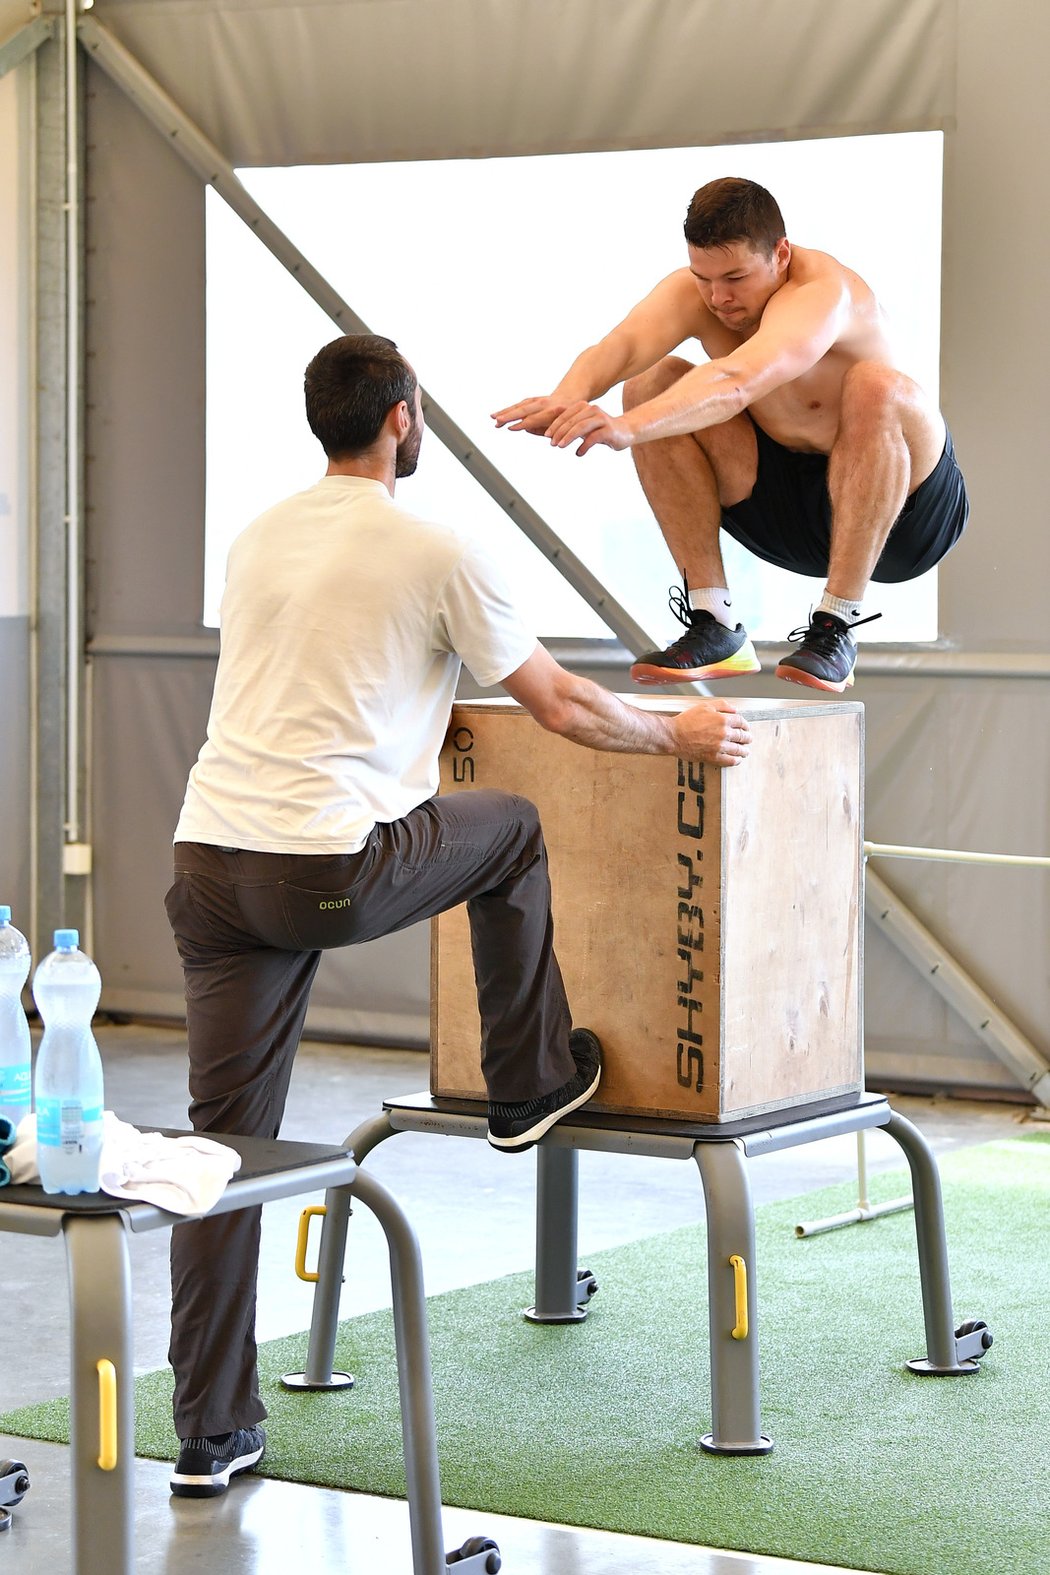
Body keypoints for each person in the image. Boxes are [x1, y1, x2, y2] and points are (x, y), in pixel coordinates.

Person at [163, 333, 752, 1498]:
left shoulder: (258, 535)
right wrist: (675, 735)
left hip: (209, 865)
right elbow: (567, 704)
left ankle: (209, 1431)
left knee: (220, 1153)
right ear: (403, 417)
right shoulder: (437, 546)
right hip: (322, 865)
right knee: (511, 826)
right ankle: (528, 1081)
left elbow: (327, 674)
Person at [493, 176, 969, 693]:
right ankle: (713, 621)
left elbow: (739, 379)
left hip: (904, 517)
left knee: (876, 387)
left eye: (736, 277)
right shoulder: (701, 293)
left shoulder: (824, 294)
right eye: (705, 278)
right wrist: (569, 397)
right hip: (786, 510)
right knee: (650, 383)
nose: (719, 298)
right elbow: (624, 345)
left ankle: (836, 624)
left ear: (780, 254)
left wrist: (627, 428)